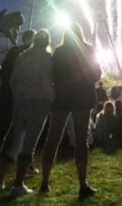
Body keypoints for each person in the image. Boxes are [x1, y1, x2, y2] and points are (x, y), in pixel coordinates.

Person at [39, 23, 101, 200]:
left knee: (53, 137)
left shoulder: (58, 52)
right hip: (82, 99)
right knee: (81, 139)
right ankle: (82, 184)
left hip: (62, 98)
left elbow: (53, 75)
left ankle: (45, 181)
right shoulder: (89, 50)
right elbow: (96, 74)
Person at [0, 29, 54, 198]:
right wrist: (51, 99)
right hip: (38, 103)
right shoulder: (47, 58)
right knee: (29, 145)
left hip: (20, 102)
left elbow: (12, 80)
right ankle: (18, 184)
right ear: (47, 42)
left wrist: (19, 95)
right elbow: (45, 81)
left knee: (15, 142)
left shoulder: (22, 56)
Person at [0, 30, 34, 170]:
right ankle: (25, 164)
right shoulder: (32, 53)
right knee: (23, 131)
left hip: (7, 92)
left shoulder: (13, 51)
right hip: (23, 95)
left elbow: (4, 71)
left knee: (1, 128)